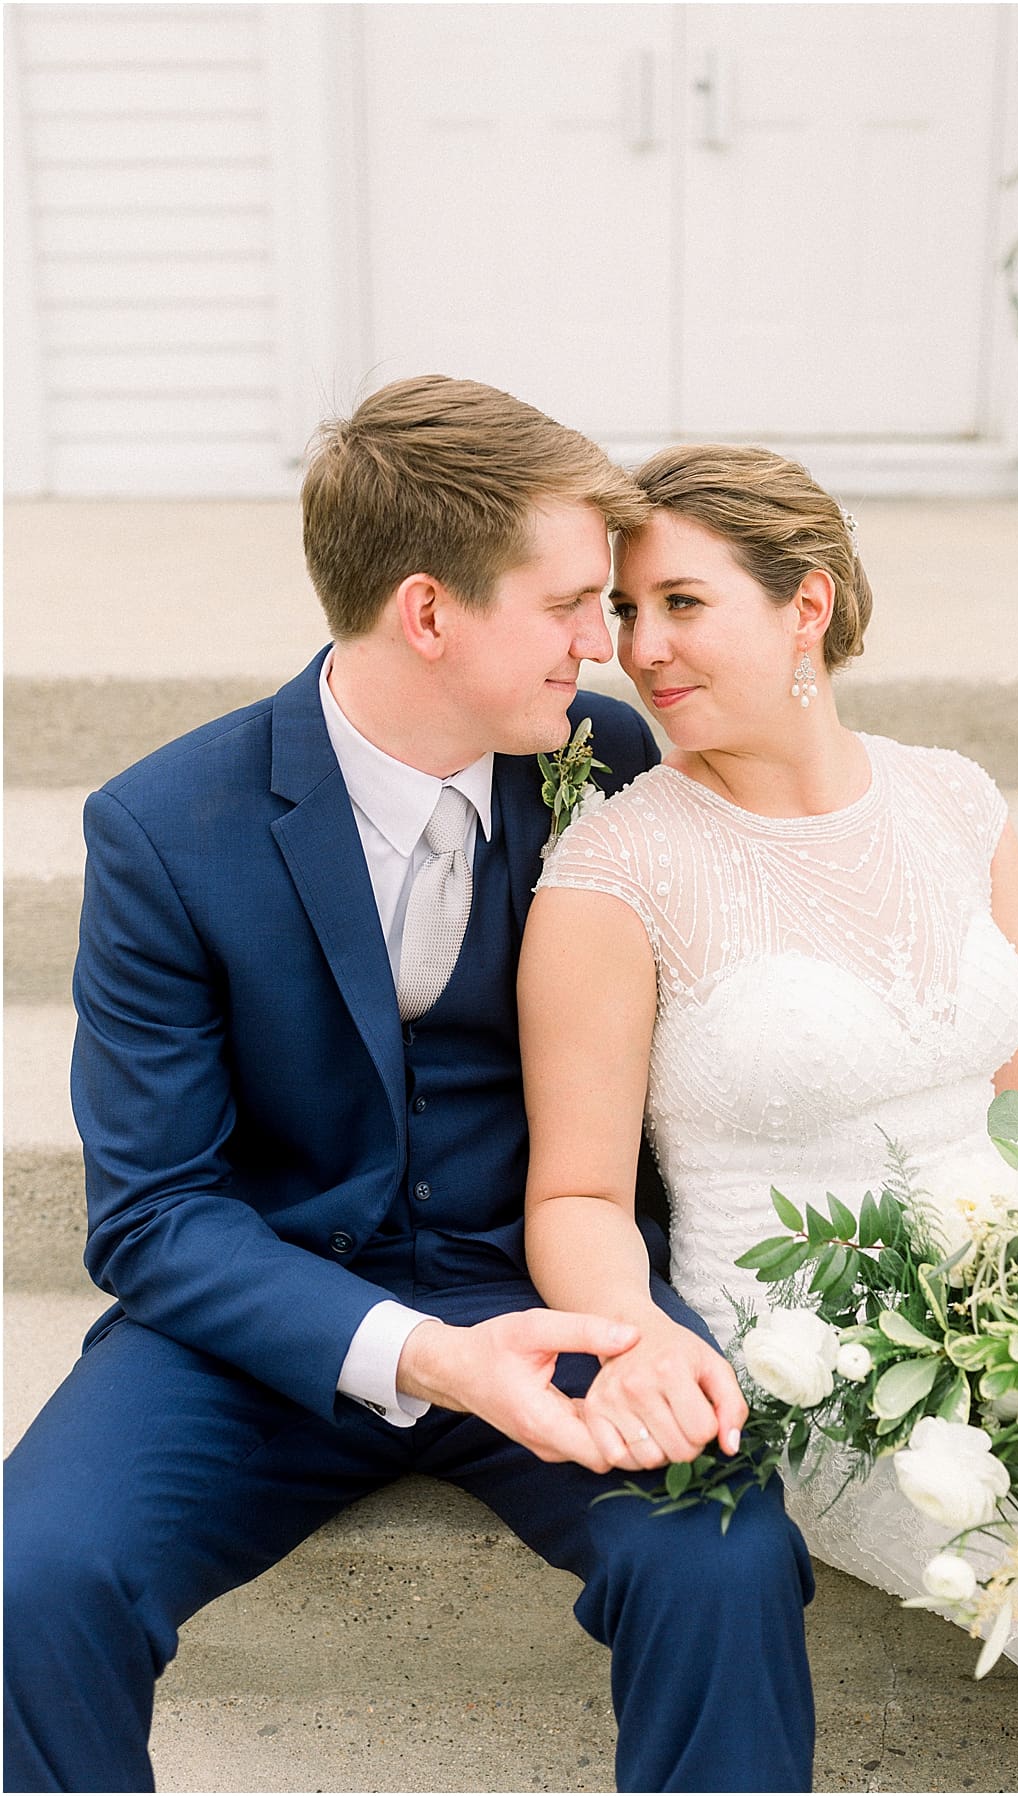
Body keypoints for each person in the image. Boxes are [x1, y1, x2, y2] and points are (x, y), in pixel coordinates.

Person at [3, 383, 818, 1796]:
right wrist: (427, 1355)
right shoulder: (167, 829)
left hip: (555, 1285)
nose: (604, 642)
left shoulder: (609, 765)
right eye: (568, 605)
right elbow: (150, 1215)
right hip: (267, 1320)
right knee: (32, 1577)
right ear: (428, 613)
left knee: (724, 1551)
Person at [524, 443, 1018, 1794]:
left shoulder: (956, 800)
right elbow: (577, 1197)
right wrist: (646, 1347)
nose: (640, 649)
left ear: (809, 606)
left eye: (683, 603)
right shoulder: (614, 871)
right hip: (830, 1368)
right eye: (625, 611)